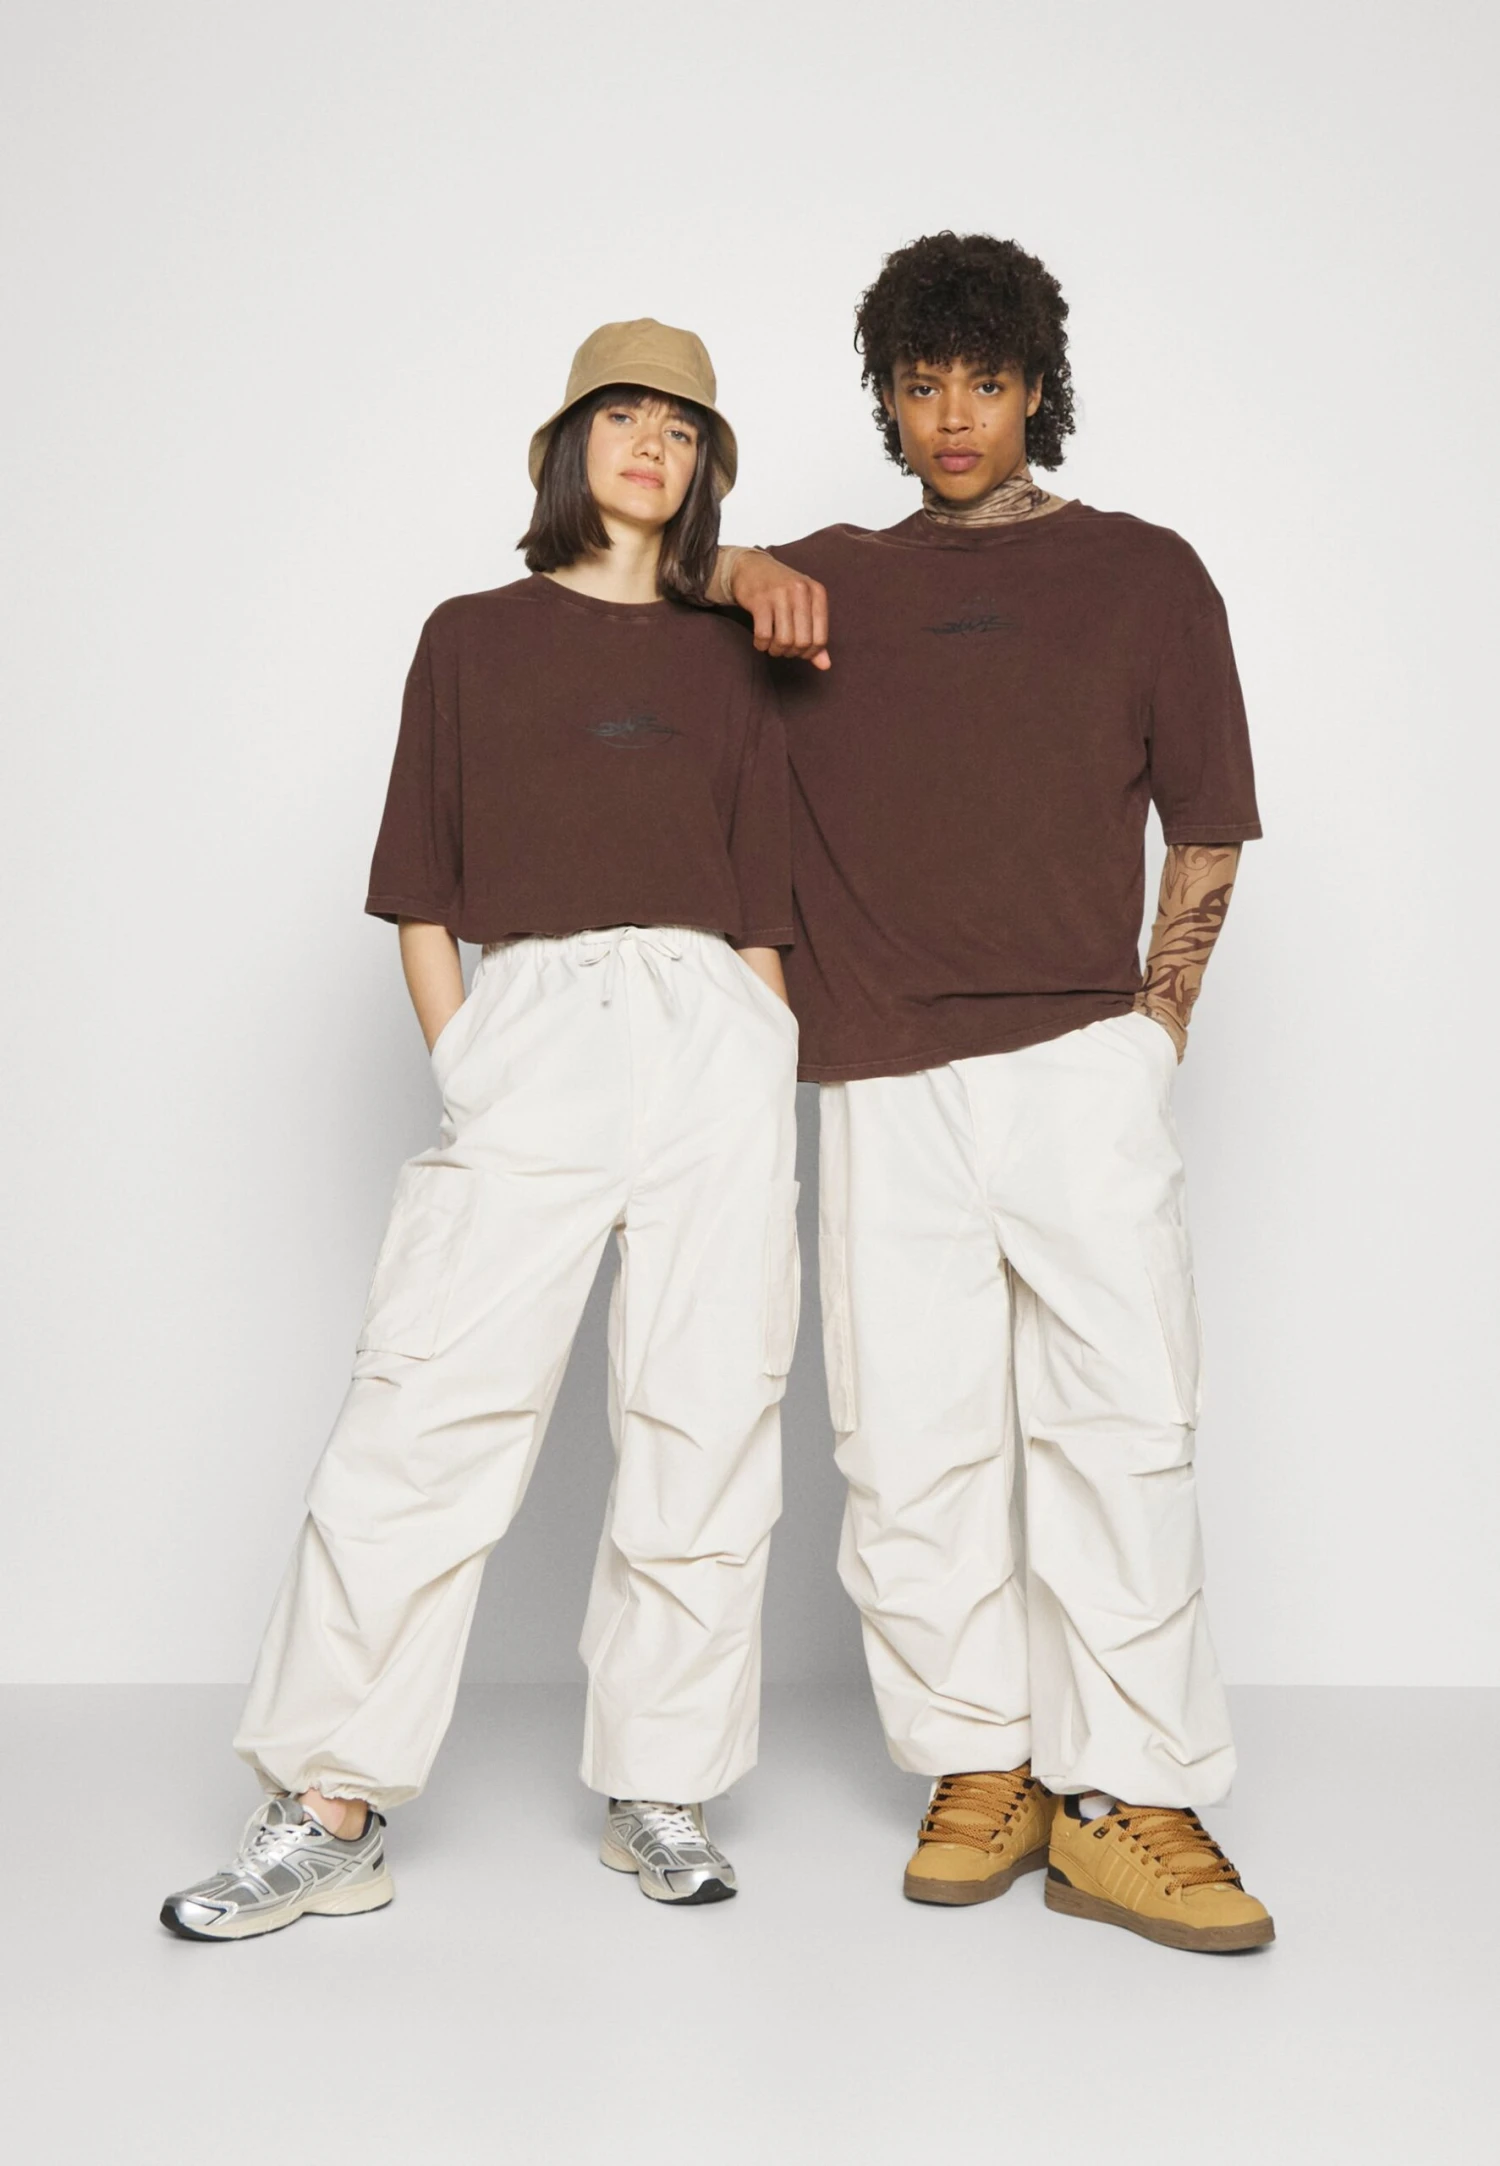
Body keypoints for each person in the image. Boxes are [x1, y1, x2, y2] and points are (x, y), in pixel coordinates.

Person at [160, 320, 800, 1939]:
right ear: (569, 445)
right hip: (536, 1021)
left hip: (713, 1026)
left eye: (683, 428)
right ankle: (330, 1801)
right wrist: (471, 1061)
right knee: (425, 1409)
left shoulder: (737, 650)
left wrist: (763, 1035)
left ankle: (663, 1781)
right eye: (623, 415)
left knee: (707, 1412)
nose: (652, 444)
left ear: (707, 467)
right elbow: (422, 883)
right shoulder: (471, 636)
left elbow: (766, 884)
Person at [712, 233, 1273, 1953]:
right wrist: (734, 562)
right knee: (911, 1440)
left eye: (986, 381)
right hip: (881, 1071)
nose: (954, 415)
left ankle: (1136, 1793)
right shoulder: (823, 581)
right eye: (921, 383)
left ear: (1039, 388)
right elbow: (604, 570)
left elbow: (1210, 821)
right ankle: (982, 1761)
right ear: (886, 399)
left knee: (1124, 1423)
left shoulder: (1145, 574)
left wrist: (1154, 1031)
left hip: (1079, 1059)